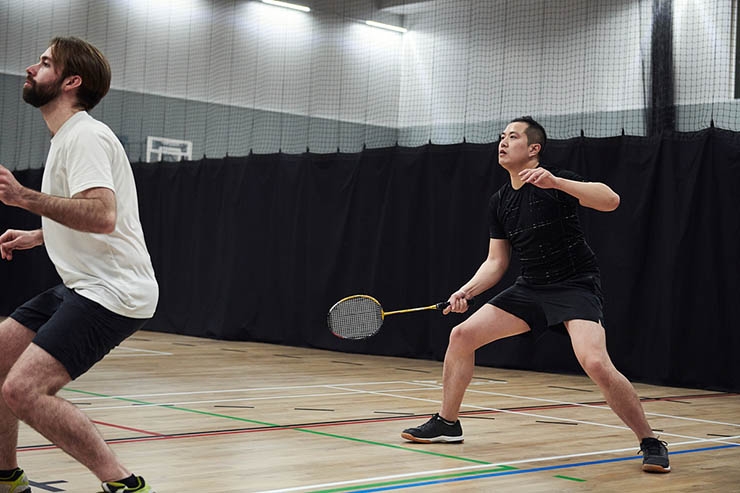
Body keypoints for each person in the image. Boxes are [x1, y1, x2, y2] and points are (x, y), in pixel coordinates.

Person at [400, 116, 670, 474]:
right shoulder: (500, 201)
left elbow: (611, 200)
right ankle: (448, 423)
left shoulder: (555, 179)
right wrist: (466, 291)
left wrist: (557, 182)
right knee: (462, 334)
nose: (503, 141)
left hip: (574, 284)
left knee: (595, 362)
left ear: (533, 149)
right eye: (502, 136)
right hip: (531, 287)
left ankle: (649, 440)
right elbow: (496, 262)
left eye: (512, 136)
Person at [0, 37, 159, 492]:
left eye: (45, 63)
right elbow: (88, 214)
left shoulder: (85, 135)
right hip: (82, 283)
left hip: (114, 292)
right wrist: (41, 234)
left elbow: (103, 215)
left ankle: (125, 484)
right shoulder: (67, 137)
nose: (31, 67)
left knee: (22, 390)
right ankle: (6, 477)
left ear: (71, 81)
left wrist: (23, 198)